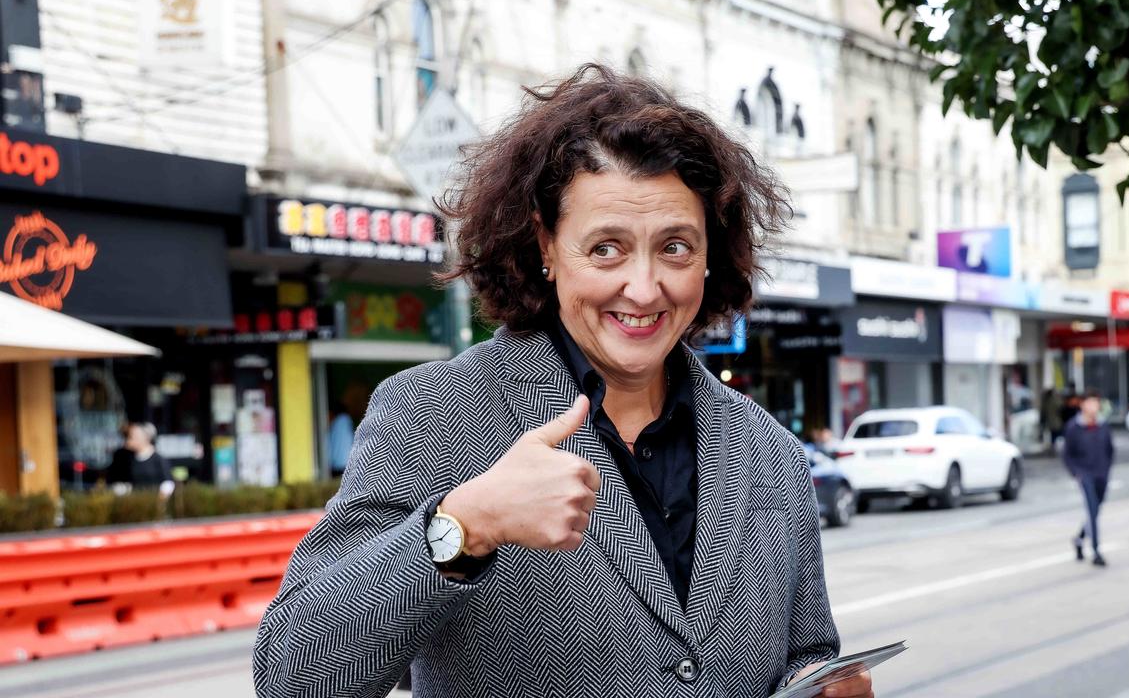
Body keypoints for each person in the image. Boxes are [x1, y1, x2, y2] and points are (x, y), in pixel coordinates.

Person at [253, 64, 870, 698]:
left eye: (676, 247)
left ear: (712, 254)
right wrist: (464, 525)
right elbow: (291, 678)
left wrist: (818, 683)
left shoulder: (771, 454)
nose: (643, 286)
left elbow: (807, 649)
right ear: (545, 246)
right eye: (606, 248)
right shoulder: (432, 415)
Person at [1061, 389, 1114, 567]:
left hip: (1101, 474)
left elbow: (1109, 450)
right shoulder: (1073, 427)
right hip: (1085, 475)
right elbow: (1067, 454)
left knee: (1096, 509)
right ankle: (1096, 550)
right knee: (1091, 511)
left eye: (1095, 402)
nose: (1093, 406)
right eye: (1090, 402)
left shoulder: (1103, 425)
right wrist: (1076, 473)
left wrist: (1106, 470)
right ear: (1082, 405)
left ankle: (1078, 539)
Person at [106, 422, 175, 498]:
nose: (128, 440)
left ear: (146, 438)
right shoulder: (123, 458)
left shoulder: (159, 460)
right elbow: (115, 481)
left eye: (132, 436)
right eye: (127, 437)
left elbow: (168, 483)